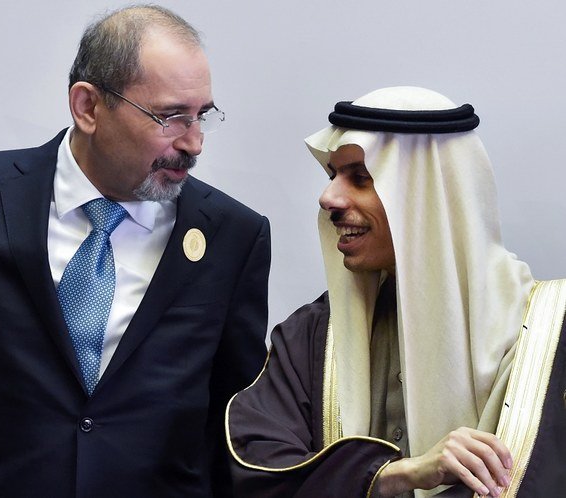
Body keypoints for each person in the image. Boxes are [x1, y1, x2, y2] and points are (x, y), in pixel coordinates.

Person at [0, 5, 270, 497]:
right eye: (171, 116)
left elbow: (233, 430)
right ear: (88, 107)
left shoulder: (233, 235)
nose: (195, 142)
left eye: (202, 115)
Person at [226, 86, 566, 498]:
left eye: (362, 178)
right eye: (334, 176)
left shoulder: (555, 334)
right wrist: (392, 476)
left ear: (425, 194)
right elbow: (258, 475)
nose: (329, 197)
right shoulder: (312, 337)